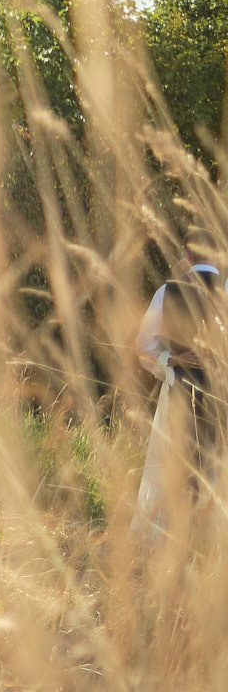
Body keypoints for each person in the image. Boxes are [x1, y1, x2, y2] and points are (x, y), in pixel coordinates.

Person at [136, 228, 224, 537]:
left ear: (186, 254)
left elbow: (144, 346)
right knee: (216, 468)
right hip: (220, 398)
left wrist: (172, 362)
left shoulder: (168, 291)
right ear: (215, 255)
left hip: (179, 393)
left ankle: (173, 542)